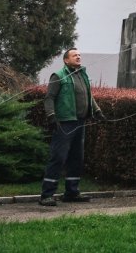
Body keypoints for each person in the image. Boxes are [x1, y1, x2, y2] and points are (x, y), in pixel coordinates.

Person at [41, 47, 102, 206]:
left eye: (79, 55)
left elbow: (89, 96)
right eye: (75, 55)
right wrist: (51, 116)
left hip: (80, 122)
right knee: (58, 157)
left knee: (77, 158)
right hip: (65, 123)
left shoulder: (82, 75)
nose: (78, 57)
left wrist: (97, 111)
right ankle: (46, 195)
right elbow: (49, 98)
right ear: (66, 60)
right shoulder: (58, 76)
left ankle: (72, 192)